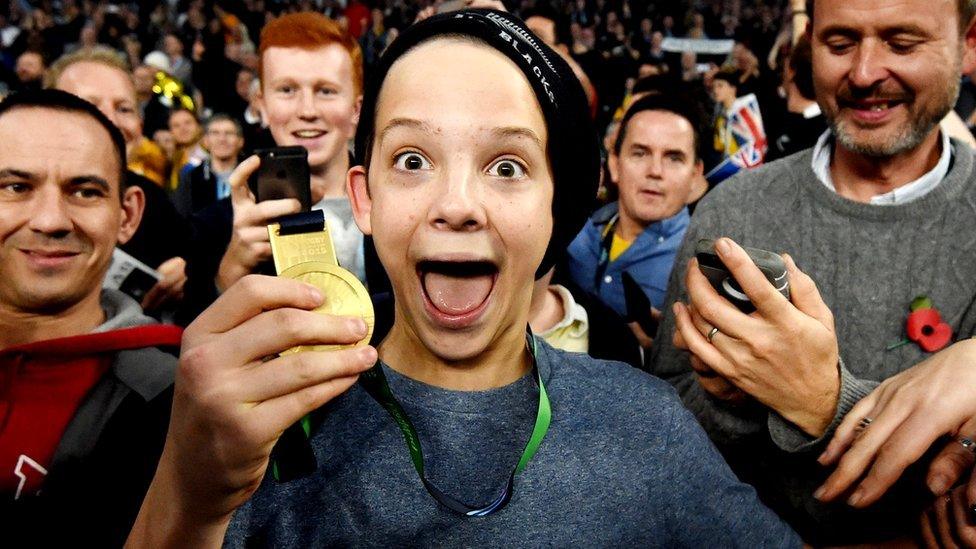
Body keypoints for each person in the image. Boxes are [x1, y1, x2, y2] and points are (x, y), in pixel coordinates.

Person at [126, 11, 800, 547]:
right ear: (364, 199)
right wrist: (185, 494)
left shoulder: (644, 421)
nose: (455, 205)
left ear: (556, 206)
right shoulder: (258, 418)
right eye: (413, 159)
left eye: (506, 166)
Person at [648, 0, 976, 543]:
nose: (866, 73)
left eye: (902, 43)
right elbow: (665, 414)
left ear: (966, 43)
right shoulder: (734, 209)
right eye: (840, 44)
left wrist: (821, 396)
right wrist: (733, 399)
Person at [0, 90, 182, 546]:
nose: (50, 220)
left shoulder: (178, 401)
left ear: (127, 215)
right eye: (15, 187)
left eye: (84, 191)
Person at [180, 12, 381, 324]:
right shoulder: (215, 226)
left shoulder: (398, 205)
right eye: (287, 90)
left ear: (356, 109)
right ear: (262, 103)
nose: (307, 110)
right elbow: (190, 348)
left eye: (326, 90)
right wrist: (232, 270)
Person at [46, 46, 192, 314]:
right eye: (88, 105)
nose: (110, 120)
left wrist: (188, 273)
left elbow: (190, 261)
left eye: (124, 109)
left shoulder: (152, 197)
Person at [566, 94, 704, 318]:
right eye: (640, 153)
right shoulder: (574, 237)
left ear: (695, 175)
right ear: (614, 164)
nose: (655, 170)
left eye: (673, 158)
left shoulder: (699, 269)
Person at [175, 114, 245, 217]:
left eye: (229, 133)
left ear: (240, 141)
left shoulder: (252, 175)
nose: (222, 139)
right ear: (206, 141)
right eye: (215, 133)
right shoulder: (191, 178)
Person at [707, 70, 768, 184]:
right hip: (730, 169)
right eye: (713, 87)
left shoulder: (745, 110)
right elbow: (720, 147)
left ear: (733, 88)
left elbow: (759, 143)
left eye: (720, 86)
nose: (715, 90)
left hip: (749, 171)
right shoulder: (720, 116)